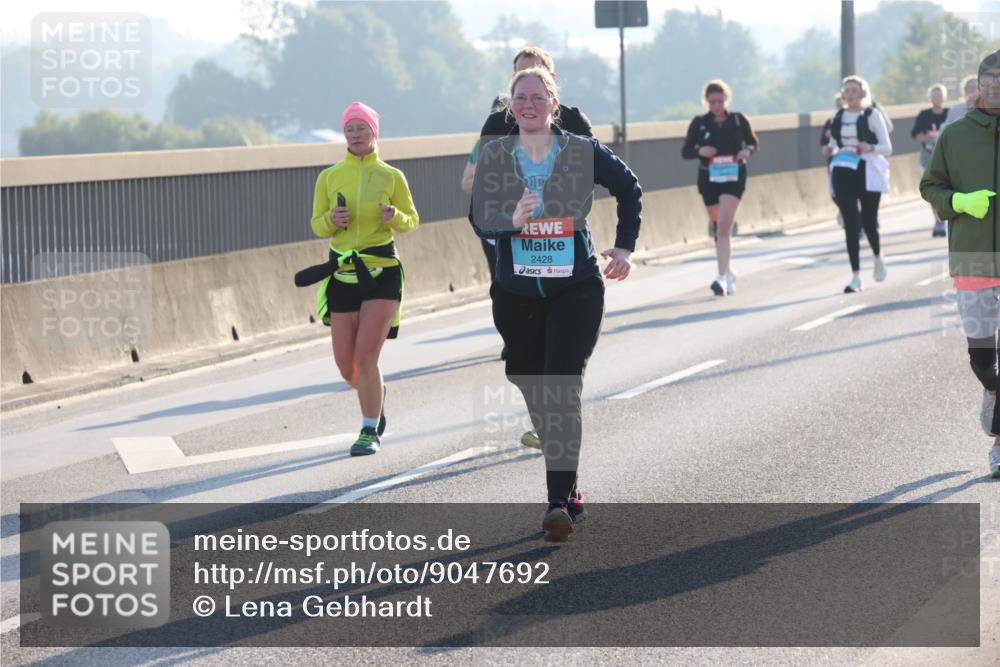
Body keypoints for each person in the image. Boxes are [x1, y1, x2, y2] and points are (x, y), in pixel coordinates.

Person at [470, 67, 642, 540]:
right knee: (527, 377)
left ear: (553, 102)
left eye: (537, 97)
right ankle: (566, 474)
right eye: (520, 98)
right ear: (511, 105)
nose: (528, 105)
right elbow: (478, 217)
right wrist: (509, 219)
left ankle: (558, 503)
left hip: (576, 288)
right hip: (516, 290)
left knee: (561, 386)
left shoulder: (580, 150)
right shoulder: (496, 154)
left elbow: (629, 188)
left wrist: (624, 246)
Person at [477, 46, 594, 450]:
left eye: (537, 79)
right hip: (512, 244)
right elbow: (473, 179)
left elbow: (590, 171)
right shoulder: (496, 122)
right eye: (519, 83)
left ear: (552, 85)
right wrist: (504, 213)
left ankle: (556, 428)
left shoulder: (574, 120)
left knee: (559, 359)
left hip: (563, 248)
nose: (527, 97)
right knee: (523, 359)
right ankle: (547, 420)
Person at [305, 101, 419, 456]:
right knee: (346, 365)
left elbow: (411, 220)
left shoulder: (391, 176)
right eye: (350, 129)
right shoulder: (329, 176)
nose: (356, 135)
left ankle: (369, 430)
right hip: (342, 271)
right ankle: (375, 394)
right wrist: (332, 222)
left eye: (362, 128)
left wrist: (394, 214)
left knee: (366, 356)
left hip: (382, 271)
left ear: (374, 133)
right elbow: (316, 223)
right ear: (345, 134)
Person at [920, 50, 1000, 479]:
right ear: (980, 83)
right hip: (972, 257)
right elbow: (930, 185)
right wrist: (956, 202)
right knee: (983, 361)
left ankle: (999, 446)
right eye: (991, 78)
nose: (997, 85)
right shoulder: (954, 135)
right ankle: (993, 388)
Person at [681, 79, 760, 296]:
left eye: (720, 100)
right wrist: (701, 151)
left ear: (727, 99)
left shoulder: (737, 120)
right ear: (706, 101)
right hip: (709, 178)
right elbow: (685, 151)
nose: (717, 105)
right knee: (718, 228)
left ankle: (720, 278)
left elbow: (753, 142)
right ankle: (728, 270)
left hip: (734, 176)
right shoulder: (699, 123)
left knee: (725, 225)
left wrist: (747, 152)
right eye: (713, 101)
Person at [822, 75, 892, 293]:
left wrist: (868, 147)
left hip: (867, 171)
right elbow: (834, 143)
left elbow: (887, 148)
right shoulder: (838, 116)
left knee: (869, 222)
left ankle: (877, 256)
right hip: (843, 170)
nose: (850, 94)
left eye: (854, 90)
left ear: (862, 93)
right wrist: (829, 149)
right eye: (847, 91)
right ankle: (856, 277)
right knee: (850, 224)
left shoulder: (872, 115)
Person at [912, 83, 949, 237]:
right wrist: (926, 138)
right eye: (934, 95)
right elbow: (915, 133)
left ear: (945, 97)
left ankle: (949, 216)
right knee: (933, 190)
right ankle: (938, 220)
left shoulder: (950, 113)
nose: (937, 98)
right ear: (930, 98)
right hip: (929, 157)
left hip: (948, 157)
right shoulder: (924, 114)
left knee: (948, 188)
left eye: (940, 95)